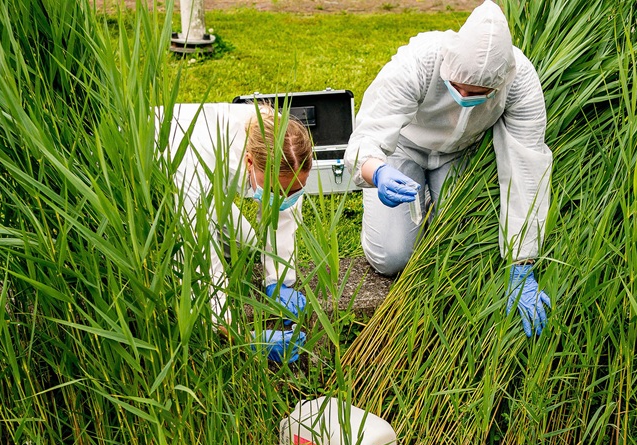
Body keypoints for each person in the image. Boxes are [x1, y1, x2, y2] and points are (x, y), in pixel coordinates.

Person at [343, 0, 553, 337]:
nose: (466, 96)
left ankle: (429, 213)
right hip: (402, 148)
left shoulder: (521, 83)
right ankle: (411, 214)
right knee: (392, 256)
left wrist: (522, 263)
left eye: (478, 93)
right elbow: (367, 134)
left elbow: (527, 168)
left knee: (457, 248)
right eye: (458, 87)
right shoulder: (419, 61)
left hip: (459, 154)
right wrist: (377, 171)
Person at [158, 102, 313, 362]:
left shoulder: (284, 142)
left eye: (296, 190)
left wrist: (279, 279)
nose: (286, 198)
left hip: (214, 190)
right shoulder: (195, 164)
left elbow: (282, 213)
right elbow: (200, 254)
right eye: (276, 191)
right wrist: (240, 335)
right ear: (249, 162)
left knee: (249, 243)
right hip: (166, 174)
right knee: (208, 249)